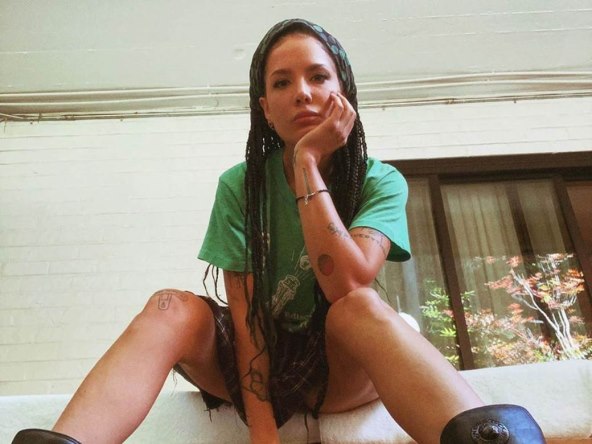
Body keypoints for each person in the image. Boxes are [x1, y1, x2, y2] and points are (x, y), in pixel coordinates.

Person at [12, 18, 546, 444]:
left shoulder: (379, 181)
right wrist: (264, 433)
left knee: (358, 306)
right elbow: (247, 320)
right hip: (254, 368)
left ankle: (486, 437)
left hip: (339, 370)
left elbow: (347, 283)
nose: (302, 93)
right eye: (282, 83)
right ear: (266, 109)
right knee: (171, 306)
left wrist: (307, 163)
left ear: (344, 93)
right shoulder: (240, 186)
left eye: (318, 77)